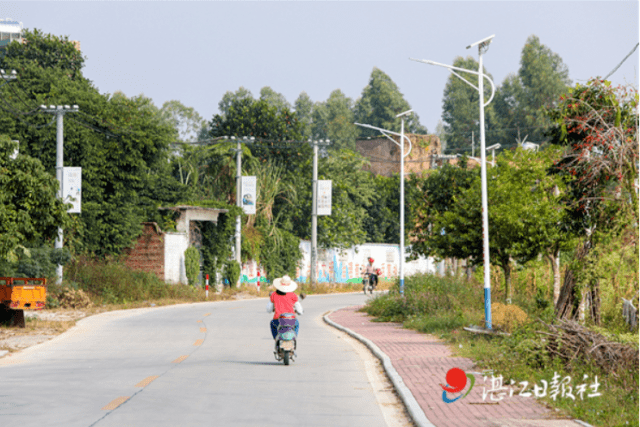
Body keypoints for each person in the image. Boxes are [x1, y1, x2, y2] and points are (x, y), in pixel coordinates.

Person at [266, 275, 303, 339]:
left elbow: (269, 309)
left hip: (278, 320)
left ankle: (276, 339)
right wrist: (300, 312)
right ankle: (293, 338)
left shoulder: (274, 294)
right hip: (291, 320)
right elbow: (299, 309)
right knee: (297, 324)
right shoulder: (293, 295)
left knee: (272, 324)